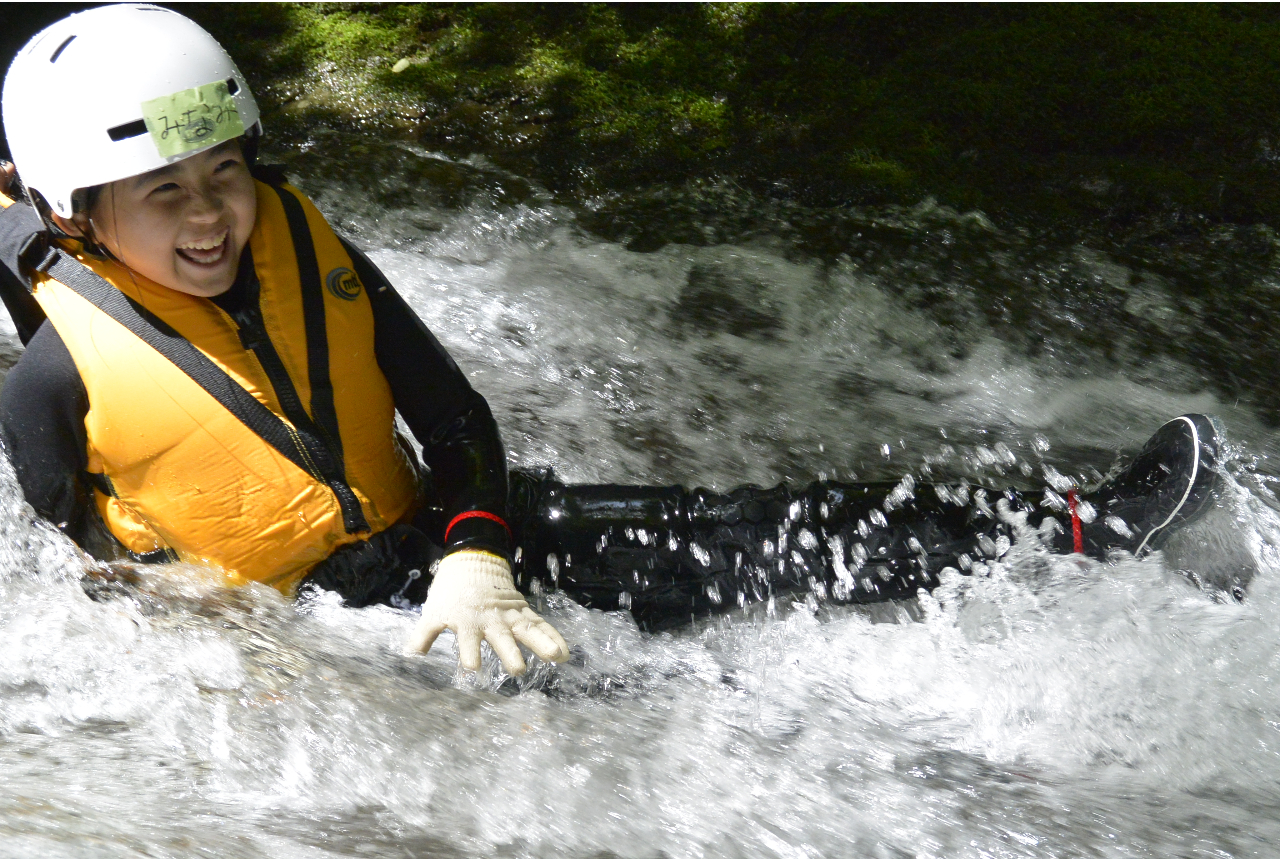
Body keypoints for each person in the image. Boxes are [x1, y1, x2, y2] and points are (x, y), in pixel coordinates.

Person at [0, 7, 1225, 671]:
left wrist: (476, 550)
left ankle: (1075, 528)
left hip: (448, 547)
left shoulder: (302, 242)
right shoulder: (53, 378)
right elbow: (87, 573)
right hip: (337, 636)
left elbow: (456, 420)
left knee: (755, 526)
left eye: (227, 176)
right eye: (166, 194)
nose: (213, 216)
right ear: (77, 215)